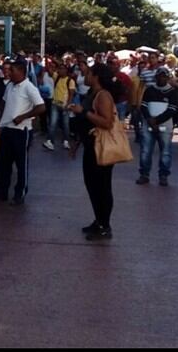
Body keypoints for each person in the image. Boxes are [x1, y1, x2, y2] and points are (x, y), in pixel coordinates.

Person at [69, 63, 121, 240]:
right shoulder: (92, 94)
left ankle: (105, 225)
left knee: (102, 186)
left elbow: (106, 122)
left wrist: (83, 111)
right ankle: (98, 220)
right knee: (92, 185)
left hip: (101, 147)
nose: (85, 75)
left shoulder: (103, 95)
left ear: (96, 76)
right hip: (90, 145)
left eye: (89, 73)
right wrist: (77, 142)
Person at [0, 60, 46, 205]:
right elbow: (3, 102)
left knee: (21, 164)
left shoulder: (29, 87)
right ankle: (2, 190)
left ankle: (19, 193)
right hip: (6, 128)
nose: (9, 73)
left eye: (12, 71)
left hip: (21, 130)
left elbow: (41, 107)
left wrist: (23, 116)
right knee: (3, 163)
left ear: (21, 71)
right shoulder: (9, 85)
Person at [137, 67, 178, 187]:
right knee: (145, 151)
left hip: (165, 126)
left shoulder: (172, 92)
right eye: (159, 76)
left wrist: (156, 120)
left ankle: (163, 175)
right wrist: (149, 119)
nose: (161, 78)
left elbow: (172, 109)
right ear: (156, 77)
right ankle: (144, 174)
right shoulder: (149, 90)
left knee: (165, 152)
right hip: (148, 124)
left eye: (164, 76)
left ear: (168, 78)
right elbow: (143, 106)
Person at [44, 62, 75, 151]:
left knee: (65, 124)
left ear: (66, 70)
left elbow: (71, 94)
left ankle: (66, 141)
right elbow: (49, 71)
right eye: (59, 68)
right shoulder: (56, 77)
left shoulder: (70, 81)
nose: (60, 70)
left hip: (64, 105)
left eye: (62, 68)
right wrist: (48, 61)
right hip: (55, 103)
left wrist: (68, 104)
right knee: (53, 123)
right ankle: (50, 141)